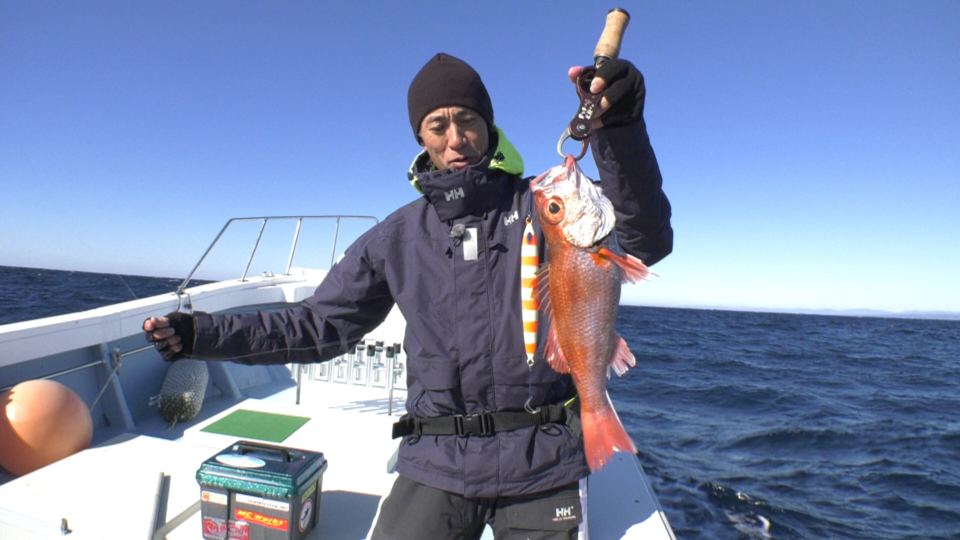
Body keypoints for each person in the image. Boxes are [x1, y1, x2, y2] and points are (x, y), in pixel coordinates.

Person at [144, 52, 672, 539]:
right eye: (436, 126)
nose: (455, 138)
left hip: (544, 457)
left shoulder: (545, 204)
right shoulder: (396, 237)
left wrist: (618, 129)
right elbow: (318, 326)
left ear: (489, 126)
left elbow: (645, 236)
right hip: (437, 459)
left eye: (467, 120)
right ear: (421, 139)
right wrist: (203, 335)